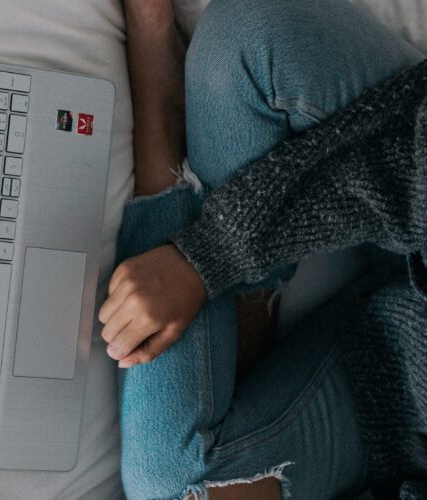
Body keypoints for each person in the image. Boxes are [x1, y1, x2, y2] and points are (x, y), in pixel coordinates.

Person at [107, 0, 426, 498]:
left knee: (168, 485)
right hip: (413, 187)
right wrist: (212, 255)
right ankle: (245, 309)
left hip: (397, 394)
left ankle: (162, 130)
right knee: (249, 36)